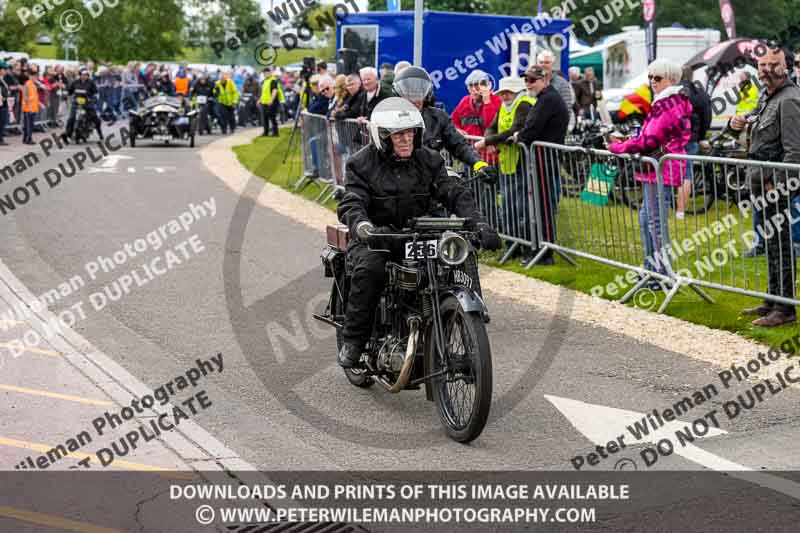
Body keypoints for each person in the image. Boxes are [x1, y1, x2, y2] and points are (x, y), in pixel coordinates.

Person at [335, 97, 501, 368]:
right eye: (398, 134)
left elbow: (454, 192)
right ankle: (354, 340)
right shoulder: (361, 163)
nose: (406, 139)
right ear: (382, 137)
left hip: (419, 233)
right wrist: (363, 227)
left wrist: (479, 224)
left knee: (457, 255)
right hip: (378, 237)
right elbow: (352, 201)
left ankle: (466, 317)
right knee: (370, 269)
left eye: (410, 132)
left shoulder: (429, 160)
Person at [609, 59, 692, 289]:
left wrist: (619, 147)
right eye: (651, 78)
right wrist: (629, 142)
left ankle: (661, 272)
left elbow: (650, 139)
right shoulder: (666, 101)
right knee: (647, 219)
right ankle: (651, 269)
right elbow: (648, 136)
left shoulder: (669, 103)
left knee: (655, 222)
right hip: (656, 167)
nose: (652, 82)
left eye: (658, 78)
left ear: (672, 80)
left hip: (662, 167)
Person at [733, 45, 800, 327]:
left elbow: (795, 151)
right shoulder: (766, 96)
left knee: (782, 245)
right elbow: (759, 136)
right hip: (761, 185)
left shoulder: (790, 100)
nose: (765, 69)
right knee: (770, 242)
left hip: (778, 186)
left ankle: (785, 310)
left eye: (773, 64)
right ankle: (772, 301)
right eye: (761, 65)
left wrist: (782, 186)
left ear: (785, 67)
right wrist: (739, 124)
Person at [392, 66, 496, 183]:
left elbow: (458, 145)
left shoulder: (438, 117)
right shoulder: (389, 118)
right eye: (410, 95)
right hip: (398, 178)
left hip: (430, 179)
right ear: (399, 95)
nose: (415, 99)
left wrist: (479, 163)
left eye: (419, 94)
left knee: (461, 195)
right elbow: (376, 152)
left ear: (427, 94)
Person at [514, 66, 570, 265]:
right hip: (541, 159)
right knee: (539, 206)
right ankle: (539, 249)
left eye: (532, 80)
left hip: (545, 160)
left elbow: (531, 129)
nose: (528, 84)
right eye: (526, 80)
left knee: (544, 208)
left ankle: (545, 253)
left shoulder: (548, 99)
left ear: (544, 80)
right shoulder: (545, 98)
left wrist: (518, 136)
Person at [474, 77, 535, 252]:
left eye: (507, 92)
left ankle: (523, 245)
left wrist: (487, 141)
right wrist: (492, 141)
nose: (504, 96)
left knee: (521, 206)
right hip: (507, 162)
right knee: (509, 205)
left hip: (522, 162)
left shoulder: (524, 104)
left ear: (515, 91)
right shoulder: (505, 105)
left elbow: (514, 129)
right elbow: (492, 127)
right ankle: (511, 244)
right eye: (502, 93)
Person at [676, 65, 712, 219]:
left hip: (673, 139)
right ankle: (680, 211)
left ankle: (671, 207)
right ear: (691, 76)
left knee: (666, 171)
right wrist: (701, 136)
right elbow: (706, 117)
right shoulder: (699, 93)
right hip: (691, 139)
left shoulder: (673, 91)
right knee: (686, 175)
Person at [450, 70, 502, 164]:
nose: (474, 89)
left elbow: (490, 125)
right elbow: (451, 121)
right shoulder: (465, 102)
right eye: (470, 85)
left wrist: (487, 101)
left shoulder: (497, 101)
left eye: (477, 85)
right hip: (470, 156)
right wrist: (457, 130)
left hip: (492, 158)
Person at [536, 49, 575, 130]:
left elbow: (567, 108)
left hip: (554, 129)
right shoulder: (531, 82)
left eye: (547, 62)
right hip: (535, 127)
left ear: (552, 64)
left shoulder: (562, 83)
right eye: (541, 62)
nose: (543, 65)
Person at [62, 68, 103, 142]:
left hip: (87, 102)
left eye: (86, 75)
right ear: (80, 75)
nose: (84, 76)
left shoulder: (91, 82)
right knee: (71, 118)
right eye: (83, 75)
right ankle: (67, 134)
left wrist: (95, 98)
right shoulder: (75, 82)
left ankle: (99, 132)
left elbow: (96, 93)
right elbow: (69, 91)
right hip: (76, 102)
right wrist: (65, 94)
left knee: (94, 117)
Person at [21, 66, 43, 145]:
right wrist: (29, 107)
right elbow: (26, 97)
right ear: (30, 76)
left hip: (33, 107)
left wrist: (40, 104)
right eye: (33, 76)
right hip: (28, 108)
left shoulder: (33, 85)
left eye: (35, 76)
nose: (35, 78)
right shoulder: (27, 84)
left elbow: (35, 97)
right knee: (28, 125)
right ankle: (28, 139)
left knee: (29, 124)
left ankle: (25, 138)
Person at [259, 66, 284, 136]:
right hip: (264, 102)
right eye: (264, 73)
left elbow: (274, 91)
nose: (265, 74)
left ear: (270, 73)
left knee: (272, 118)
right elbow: (264, 92)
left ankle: (275, 133)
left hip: (271, 103)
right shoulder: (265, 81)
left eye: (266, 73)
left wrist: (271, 100)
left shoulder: (273, 80)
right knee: (265, 119)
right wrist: (259, 100)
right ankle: (265, 132)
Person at [0, 61, 10, 146]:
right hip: (1, 103)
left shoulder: (3, 79)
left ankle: (1, 138)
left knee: (3, 121)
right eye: (4, 69)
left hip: (4, 102)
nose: (6, 70)